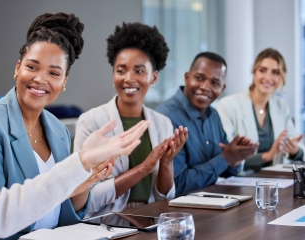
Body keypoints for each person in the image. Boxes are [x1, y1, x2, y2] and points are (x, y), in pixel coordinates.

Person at [0, 11, 150, 240]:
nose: (40, 79)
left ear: (64, 81)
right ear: (17, 68)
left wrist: (86, 182)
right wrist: (81, 162)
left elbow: (63, 213)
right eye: (32, 67)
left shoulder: (59, 132)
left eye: (54, 73)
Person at [73, 22, 188, 217]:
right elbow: (84, 200)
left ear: (154, 77)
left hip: (149, 219)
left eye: (139, 71)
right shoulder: (91, 122)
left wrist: (166, 163)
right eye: (121, 70)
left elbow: (164, 199)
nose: (128, 78)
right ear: (113, 75)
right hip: (106, 222)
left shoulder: (162, 123)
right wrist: (143, 168)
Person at [155, 52, 259, 196]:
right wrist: (225, 158)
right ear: (187, 77)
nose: (205, 87)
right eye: (199, 78)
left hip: (211, 203)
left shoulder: (213, 115)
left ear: (222, 89)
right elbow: (177, 185)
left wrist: (235, 158)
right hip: (178, 211)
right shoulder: (165, 118)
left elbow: (227, 169)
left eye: (215, 83)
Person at [217, 48, 304, 172]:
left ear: (281, 77)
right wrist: (268, 155)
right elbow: (227, 154)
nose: (268, 77)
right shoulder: (228, 104)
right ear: (254, 72)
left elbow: (295, 145)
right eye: (262, 70)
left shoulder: (281, 105)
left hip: (273, 180)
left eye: (275, 72)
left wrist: (295, 150)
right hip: (238, 180)